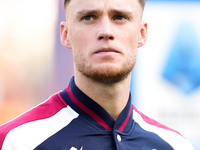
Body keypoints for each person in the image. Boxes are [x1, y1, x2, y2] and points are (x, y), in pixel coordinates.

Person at [0, 0, 194, 149]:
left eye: (119, 17)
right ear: (66, 34)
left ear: (142, 33)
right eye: (89, 17)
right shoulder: (16, 142)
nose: (106, 32)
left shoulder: (176, 145)